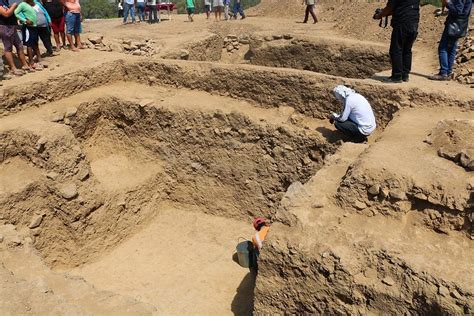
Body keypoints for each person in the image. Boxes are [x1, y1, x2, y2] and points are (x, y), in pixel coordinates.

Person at [373, 0, 420, 83]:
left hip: (402, 23)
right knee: (407, 50)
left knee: (396, 50)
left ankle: (397, 76)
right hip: (414, 22)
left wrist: (379, 15)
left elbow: (390, 8)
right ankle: (405, 75)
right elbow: (402, 6)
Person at [429, 0, 472, 81]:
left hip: (454, 24)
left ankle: (443, 73)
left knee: (442, 48)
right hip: (461, 24)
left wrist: (448, 3)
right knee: (452, 48)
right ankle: (448, 73)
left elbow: (458, 11)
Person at [0, 0, 31, 76]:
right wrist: (14, 6)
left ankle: (25, 65)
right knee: (8, 47)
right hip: (4, 26)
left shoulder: (6, 2)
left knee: (19, 45)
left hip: (12, 25)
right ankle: (13, 68)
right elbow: (6, 14)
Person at [15, 0, 44, 69]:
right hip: (28, 27)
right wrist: (24, 20)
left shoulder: (31, 4)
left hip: (34, 26)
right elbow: (16, 13)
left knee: (35, 42)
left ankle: (39, 59)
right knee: (29, 44)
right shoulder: (22, 4)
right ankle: (31, 62)